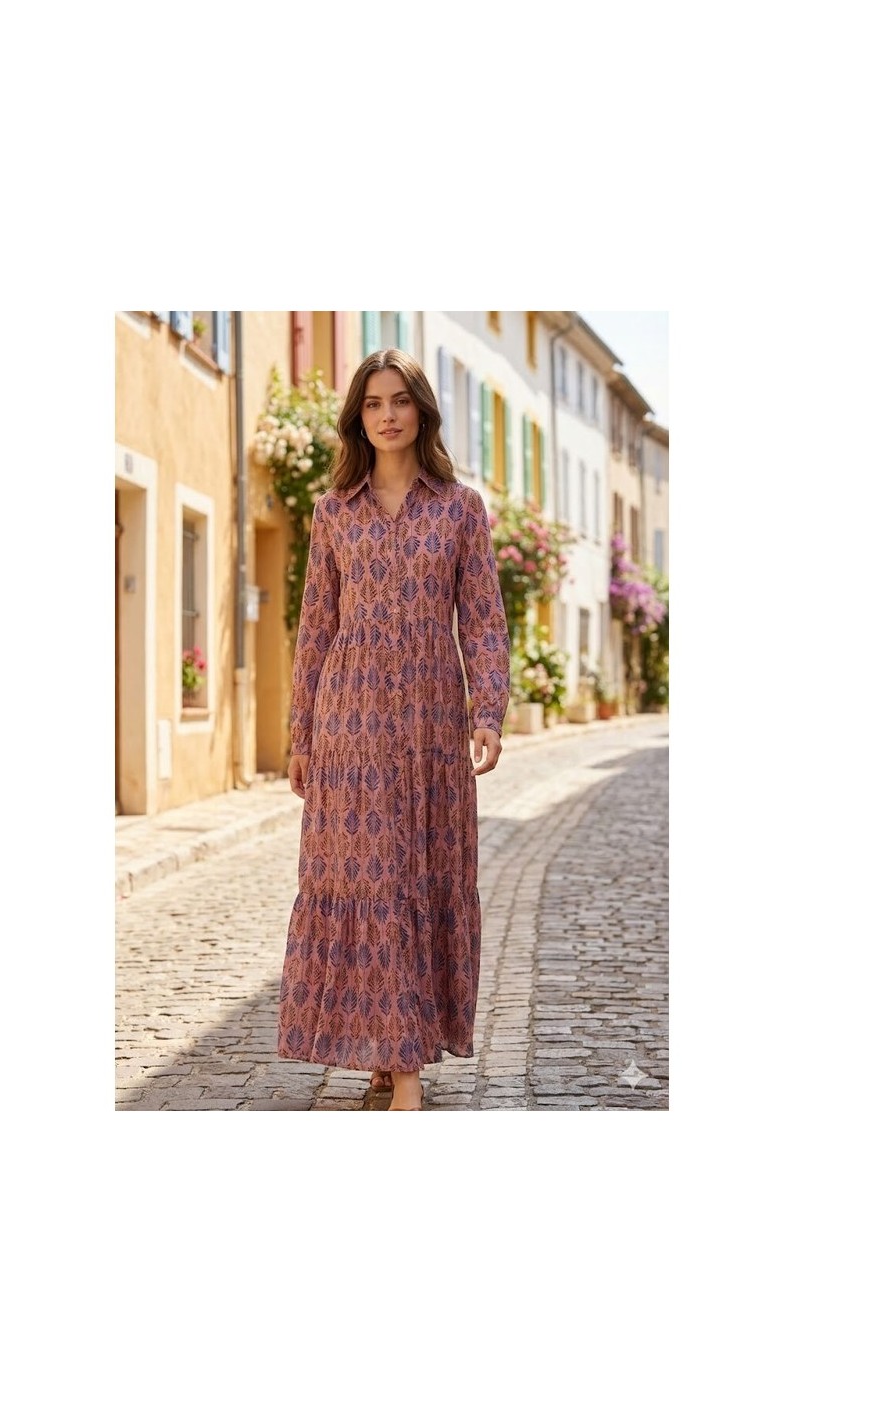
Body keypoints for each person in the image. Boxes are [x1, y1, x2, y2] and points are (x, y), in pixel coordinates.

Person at [277, 348, 510, 1111]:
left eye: (400, 400)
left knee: (416, 876)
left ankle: (397, 1056)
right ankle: (396, 1061)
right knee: (368, 879)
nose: (387, 415)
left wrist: (488, 711)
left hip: (431, 726)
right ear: (359, 416)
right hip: (350, 724)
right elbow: (315, 629)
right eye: (374, 402)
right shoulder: (332, 512)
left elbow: (483, 620)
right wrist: (303, 736)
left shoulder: (460, 510)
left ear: (422, 412)